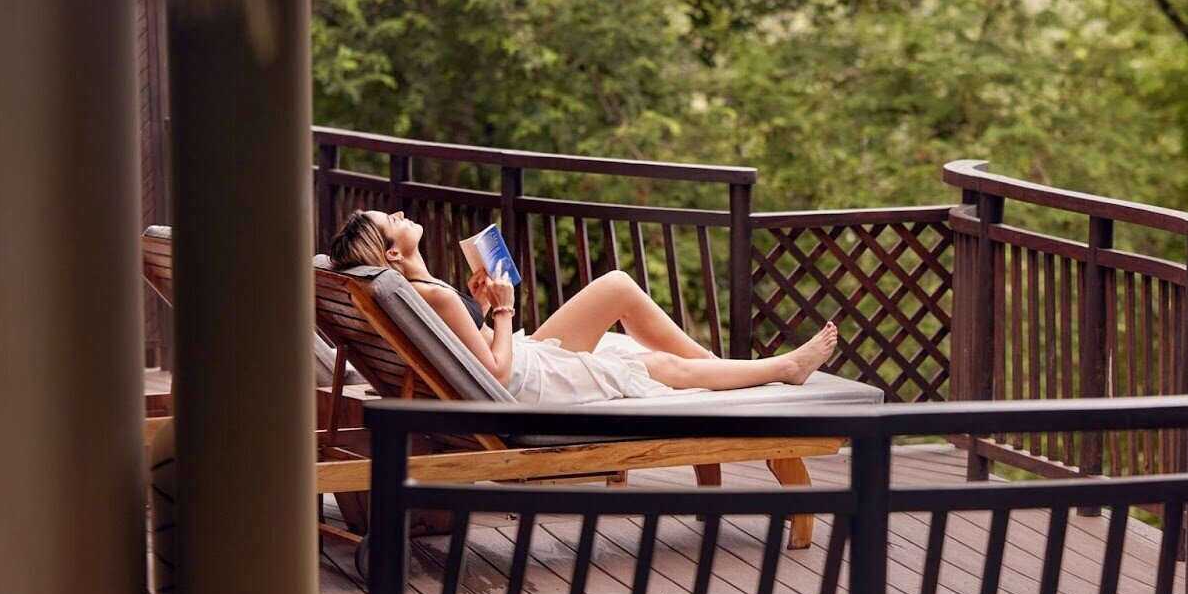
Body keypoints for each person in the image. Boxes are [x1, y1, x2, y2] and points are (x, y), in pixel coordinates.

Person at [327, 209, 838, 403]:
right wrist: (503, 311)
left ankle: (720, 369)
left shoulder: (420, 290)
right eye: (391, 220)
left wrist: (480, 306)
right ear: (392, 254)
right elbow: (495, 375)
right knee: (656, 366)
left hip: (522, 362)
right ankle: (783, 368)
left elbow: (465, 349)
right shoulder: (432, 296)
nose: (400, 212)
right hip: (523, 382)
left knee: (616, 286)